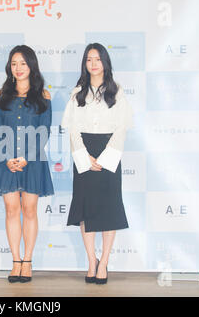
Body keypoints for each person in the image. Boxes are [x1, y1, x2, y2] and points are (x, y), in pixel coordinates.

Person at [61, 43, 133, 285]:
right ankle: (91, 260)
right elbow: (72, 128)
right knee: (86, 210)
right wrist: (83, 157)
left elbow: (122, 128)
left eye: (97, 59)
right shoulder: (77, 92)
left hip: (109, 154)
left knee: (108, 210)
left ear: (105, 62)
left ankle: (104, 262)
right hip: (84, 152)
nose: (93, 63)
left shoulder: (117, 91)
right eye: (89, 59)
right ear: (85, 63)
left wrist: (105, 158)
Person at [0, 45, 54, 283]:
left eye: (23, 63)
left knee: (29, 210)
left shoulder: (43, 95)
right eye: (14, 63)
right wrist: (7, 157)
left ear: (32, 66)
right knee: (11, 210)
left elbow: (44, 130)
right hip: (5, 161)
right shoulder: (1, 95)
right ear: (9, 67)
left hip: (33, 161)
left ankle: (27, 261)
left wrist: (27, 156)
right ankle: (15, 261)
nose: (18, 68)